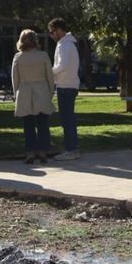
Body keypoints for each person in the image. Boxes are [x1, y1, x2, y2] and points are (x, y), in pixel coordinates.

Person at [11, 29, 54, 165]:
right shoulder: (43, 56)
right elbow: (50, 77)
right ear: (36, 40)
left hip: (24, 91)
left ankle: (30, 152)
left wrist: (15, 93)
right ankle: (42, 152)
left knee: (28, 124)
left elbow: (15, 79)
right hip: (41, 90)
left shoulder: (18, 57)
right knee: (43, 123)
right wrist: (50, 92)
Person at [48, 18, 81, 161]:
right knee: (69, 119)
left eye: (52, 32)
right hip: (69, 85)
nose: (51, 35)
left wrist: (48, 71)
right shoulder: (69, 43)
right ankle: (72, 148)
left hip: (66, 86)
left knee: (67, 119)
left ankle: (70, 150)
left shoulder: (64, 45)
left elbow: (63, 65)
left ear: (59, 30)